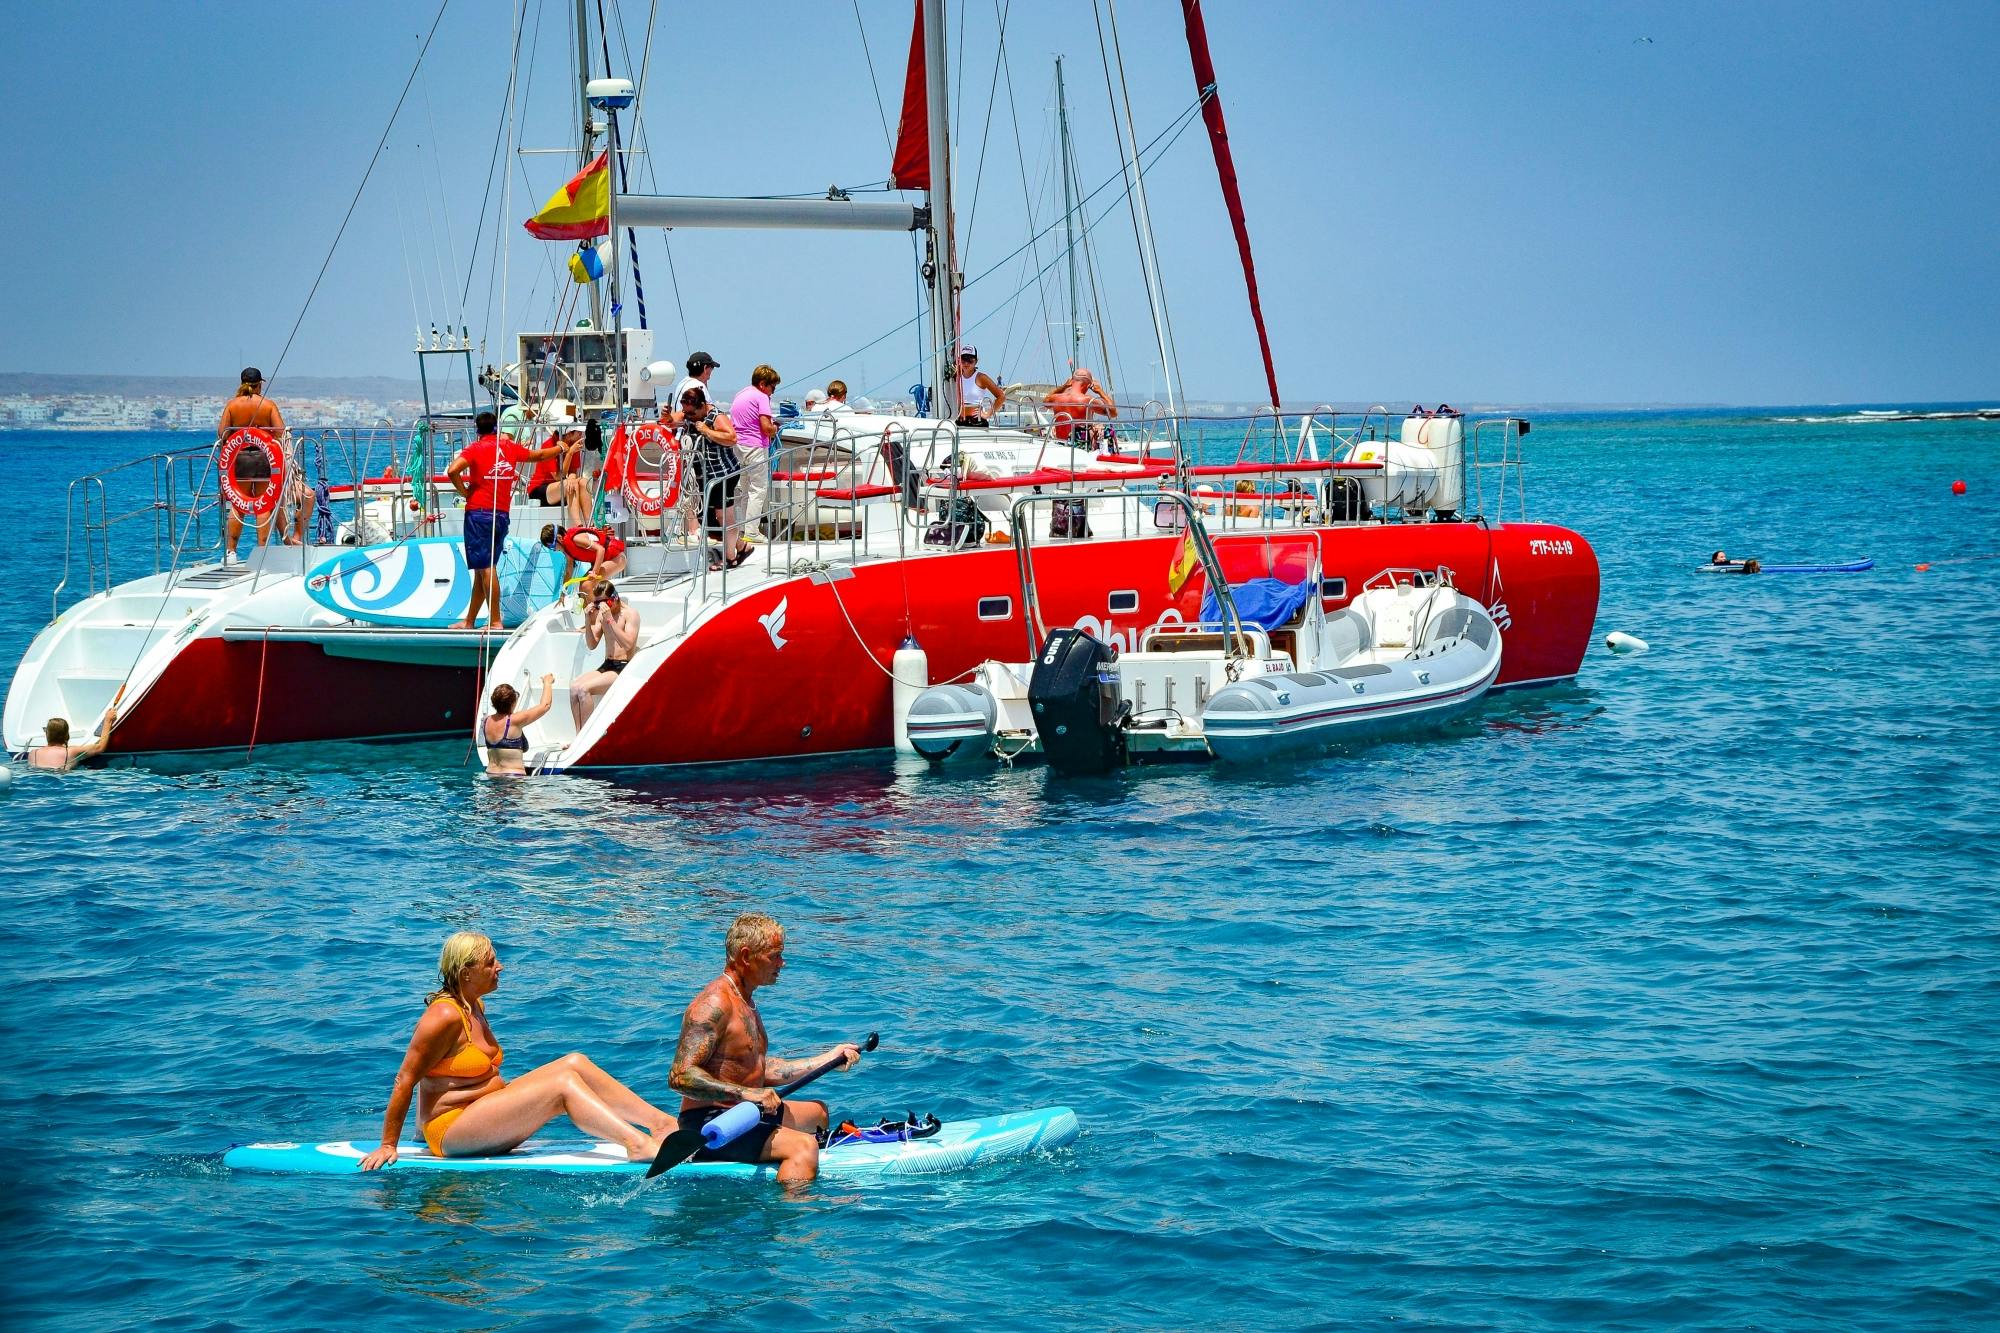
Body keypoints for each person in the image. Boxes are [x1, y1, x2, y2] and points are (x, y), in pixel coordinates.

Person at [358, 933, 676, 1169]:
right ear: (466, 972)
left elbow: (437, 1075)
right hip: (451, 1131)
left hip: (480, 1113)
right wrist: (389, 1144)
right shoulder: (443, 1016)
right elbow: (406, 1079)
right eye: (490, 962)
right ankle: (636, 1145)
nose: (500, 966)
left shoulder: (474, 1005)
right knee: (562, 1088)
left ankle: (662, 1124)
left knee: (574, 1063)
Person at [668, 913, 863, 1187]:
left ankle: (788, 1158)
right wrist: (748, 1093)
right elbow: (679, 1076)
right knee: (804, 1147)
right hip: (713, 1124)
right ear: (746, 957)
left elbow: (759, 1068)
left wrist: (829, 1059)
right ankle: (788, 1216)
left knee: (818, 1114)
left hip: (749, 1110)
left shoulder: (745, 1000)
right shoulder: (713, 1005)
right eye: (775, 956)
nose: (782, 963)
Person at [445, 410, 562, 630]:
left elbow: (453, 470)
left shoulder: (475, 448)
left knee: (486, 567)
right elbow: (538, 456)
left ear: (477, 431)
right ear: (496, 428)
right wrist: (561, 448)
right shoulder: (508, 447)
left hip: (479, 513)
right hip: (501, 515)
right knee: (483, 568)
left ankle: (496, 620)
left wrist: (464, 492)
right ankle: (469, 621)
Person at [217, 367, 287, 556]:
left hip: (239, 458)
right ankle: (262, 552)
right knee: (263, 504)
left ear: (241, 383)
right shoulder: (267, 405)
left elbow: (222, 433)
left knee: (239, 505)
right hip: (264, 457)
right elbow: (280, 431)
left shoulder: (232, 406)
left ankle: (231, 552)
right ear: (259, 384)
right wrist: (263, 432)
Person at [680, 386, 746, 568]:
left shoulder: (716, 416)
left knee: (724, 516)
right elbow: (673, 420)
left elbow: (732, 437)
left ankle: (730, 558)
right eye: (687, 413)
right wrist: (668, 418)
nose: (689, 417)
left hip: (724, 473)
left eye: (692, 413)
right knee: (708, 519)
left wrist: (707, 431)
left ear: (702, 406)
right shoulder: (690, 414)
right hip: (706, 476)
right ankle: (741, 546)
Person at [571, 580, 639, 727]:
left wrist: (609, 620)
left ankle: (586, 738)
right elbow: (592, 644)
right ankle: (578, 738)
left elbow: (627, 644)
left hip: (622, 666)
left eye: (604, 603)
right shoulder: (602, 615)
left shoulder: (630, 615)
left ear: (614, 598)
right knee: (574, 687)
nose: (600, 608)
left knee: (583, 690)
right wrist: (588, 621)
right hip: (607, 665)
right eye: (597, 604)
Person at [730, 365, 781, 540]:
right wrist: (775, 428)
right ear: (762, 384)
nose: (772, 392)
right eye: (772, 387)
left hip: (739, 448)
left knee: (745, 490)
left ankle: (744, 530)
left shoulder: (741, 394)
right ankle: (752, 531)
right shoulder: (761, 397)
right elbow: (766, 428)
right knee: (758, 489)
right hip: (755, 448)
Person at [483, 677, 555, 776]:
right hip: (513, 779)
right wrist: (547, 682)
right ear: (512, 703)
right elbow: (545, 705)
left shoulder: (486, 721)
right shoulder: (514, 720)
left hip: (491, 775)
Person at [527, 419, 591, 529]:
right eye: (579, 432)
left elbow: (572, 472)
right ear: (569, 434)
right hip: (539, 488)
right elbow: (558, 477)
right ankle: (579, 527)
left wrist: (572, 478)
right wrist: (570, 453)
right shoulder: (549, 445)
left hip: (558, 488)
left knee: (583, 482)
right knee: (570, 484)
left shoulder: (573, 445)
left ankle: (590, 525)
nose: (582, 435)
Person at [26, 707, 118, 772]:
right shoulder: (71, 752)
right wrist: (108, 720)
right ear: (67, 736)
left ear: (47, 734)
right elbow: (100, 747)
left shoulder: (33, 753)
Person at [1043, 368, 1117, 442]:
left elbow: (1045, 402)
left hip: (1060, 443)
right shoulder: (1088, 400)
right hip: (1079, 445)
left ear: (1071, 382)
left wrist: (1064, 386)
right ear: (1088, 386)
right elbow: (1113, 413)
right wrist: (1100, 391)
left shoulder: (1056, 398)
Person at [955, 346, 1004, 427]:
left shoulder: (981, 377)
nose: (966, 363)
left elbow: (1001, 397)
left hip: (977, 422)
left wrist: (988, 414)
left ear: (976, 361)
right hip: (960, 421)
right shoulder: (957, 377)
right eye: (963, 360)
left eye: (970, 360)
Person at [671, 351, 722, 421]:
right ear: (705, 368)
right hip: (693, 430)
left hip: (681, 430)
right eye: (712, 367)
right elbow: (709, 412)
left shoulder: (682, 383)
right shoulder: (699, 386)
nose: (712, 371)